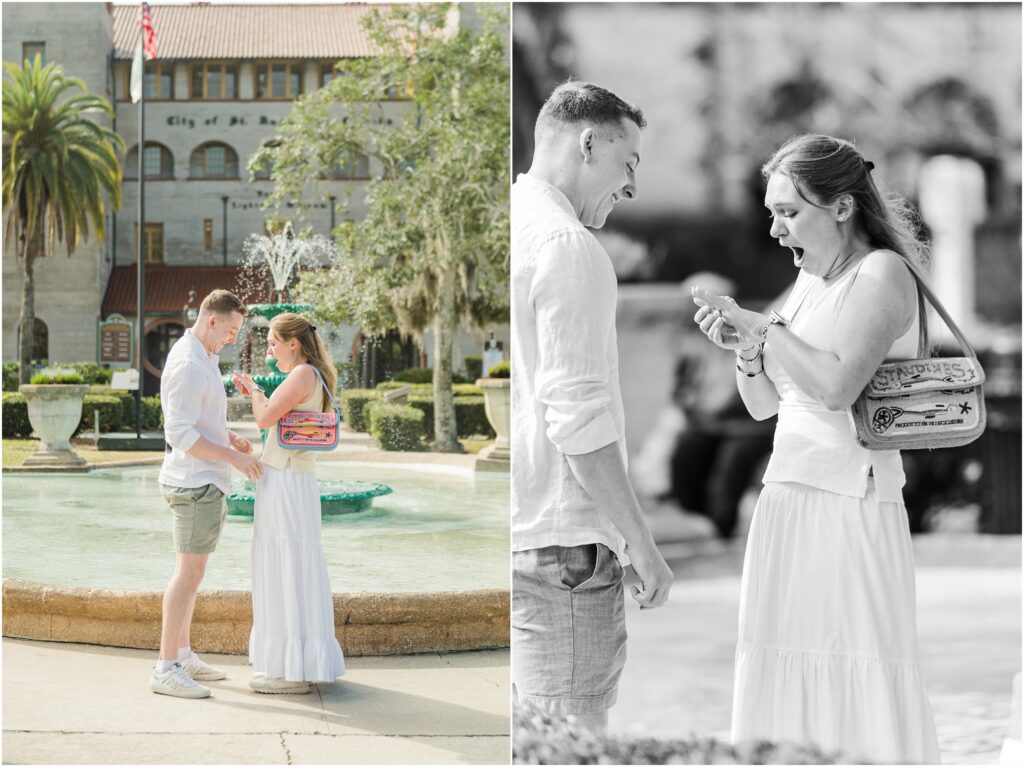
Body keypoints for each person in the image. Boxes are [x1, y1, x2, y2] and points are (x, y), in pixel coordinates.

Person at [691, 134, 940, 762]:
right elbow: (765, 405)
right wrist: (745, 348)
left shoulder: (882, 272)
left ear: (841, 206)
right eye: (772, 212)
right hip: (789, 495)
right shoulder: (804, 282)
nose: (776, 230)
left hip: (848, 498)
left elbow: (835, 386)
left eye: (789, 212)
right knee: (782, 655)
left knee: (850, 655)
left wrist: (763, 327)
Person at [511, 80, 674, 734]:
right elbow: (577, 418)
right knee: (572, 740)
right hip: (566, 544)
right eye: (627, 163)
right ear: (587, 143)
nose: (631, 185)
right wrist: (641, 541)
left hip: (524, 530)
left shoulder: (509, 226)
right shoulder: (568, 247)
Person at [152, 289, 264, 699]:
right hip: (193, 483)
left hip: (203, 480)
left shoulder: (204, 357)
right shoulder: (187, 362)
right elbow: (179, 434)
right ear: (212, 319)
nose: (235, 338)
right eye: (232, 329)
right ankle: (165, 666)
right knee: (187, 576)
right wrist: (234, 461)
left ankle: (182, 653)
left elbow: (198, 420)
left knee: (193, 575)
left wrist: (228, 438)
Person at [233, 313, 345, 694]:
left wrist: (253, 391)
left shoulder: (301, 375)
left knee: (284, 565)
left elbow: (265, 419)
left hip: (284, 481)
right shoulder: (315, 374)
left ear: (293, 343)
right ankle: (297, 663)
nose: (268, 349)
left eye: (272, 343)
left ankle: (289, 673)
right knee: (294, 565)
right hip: (295, 478)